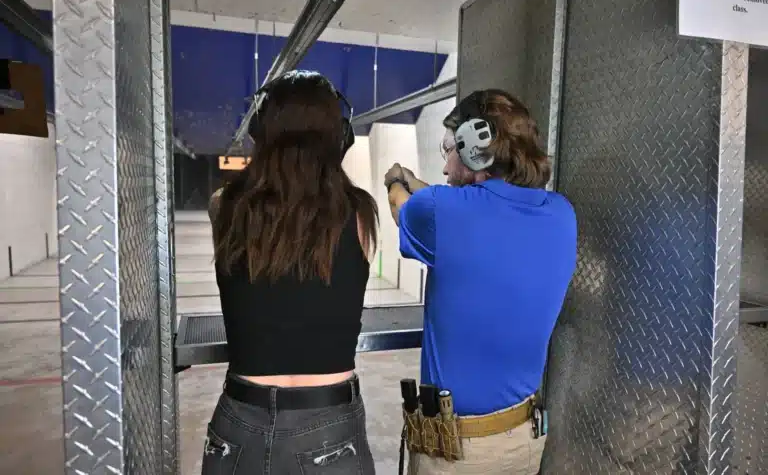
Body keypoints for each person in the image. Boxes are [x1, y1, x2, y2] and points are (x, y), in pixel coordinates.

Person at [384, 89, 577, 475]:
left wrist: (395, 180)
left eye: (450, 149)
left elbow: (401, 206)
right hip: (523, 440)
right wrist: (419, 183)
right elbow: (467, 208)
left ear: (475, 147)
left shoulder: (439, 210)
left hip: (458, 454)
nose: (444, 167)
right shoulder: (560, 212)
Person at [204, 70, 378, 475]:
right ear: (340, 137)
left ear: (260, 134)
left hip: (240, 423)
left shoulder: (223, 205)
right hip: (329, 423)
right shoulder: (360, 216)